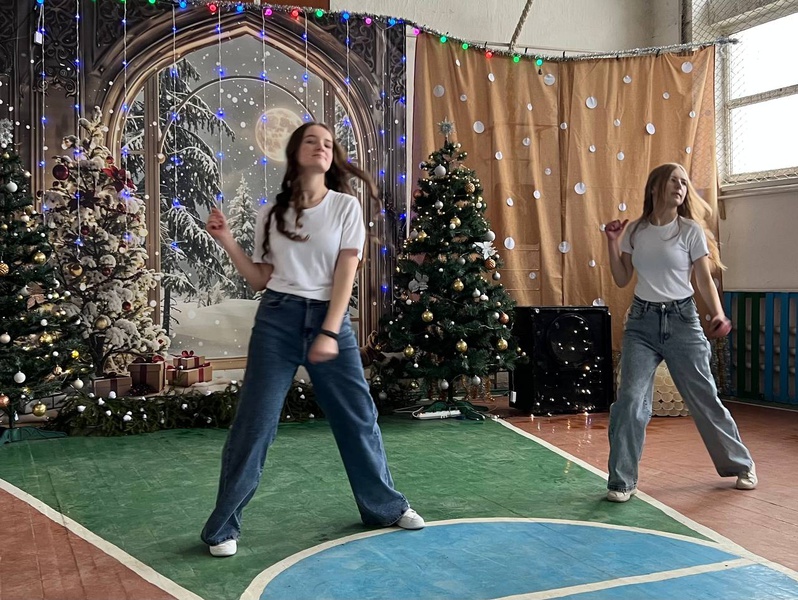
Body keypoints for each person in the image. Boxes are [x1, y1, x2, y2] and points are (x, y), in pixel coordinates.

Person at [201, 122, 424, 557]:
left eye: (328, 143)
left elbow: (346, 272)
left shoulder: (345, 207)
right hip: (277, 320)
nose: (321, 147)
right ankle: (222, 528)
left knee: (358, 417)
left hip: (329, 317)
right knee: (254, 424)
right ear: (295, 152)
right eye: (311, 140)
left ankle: (384, 507)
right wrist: (225, 239)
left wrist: (328, 331)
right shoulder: (271, 213)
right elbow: (260, 279)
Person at [603, 162, 756, 503]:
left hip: (683, 321)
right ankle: (622, 481)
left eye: (684, 183)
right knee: (630, 400)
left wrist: (718, 313)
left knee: (704, 398)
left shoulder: (689, 230)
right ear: (655, 187)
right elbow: (622, 278)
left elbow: (703, 278)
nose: (680, 187)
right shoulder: (636, 230)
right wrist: (612, 242)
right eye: (673, 180)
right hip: (641, 323)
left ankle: (741, 465)